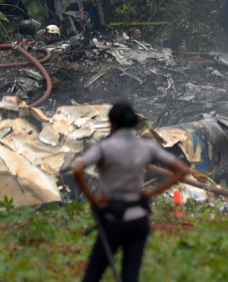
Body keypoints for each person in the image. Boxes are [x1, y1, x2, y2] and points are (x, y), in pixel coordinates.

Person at [71, 102, 189, 282]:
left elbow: (78, 169)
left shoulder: (105, 147)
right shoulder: (146, 146)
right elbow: (181, 170)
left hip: (114, 219)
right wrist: (151, 193)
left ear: (112, 124)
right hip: (139, 219)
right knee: (131, 275)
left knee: (93, 273)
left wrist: (92, 198)